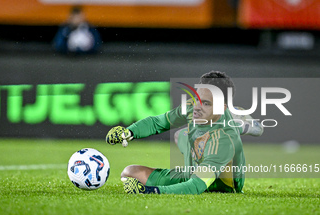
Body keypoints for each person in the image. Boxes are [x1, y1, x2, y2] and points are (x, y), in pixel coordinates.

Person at [106, 71, 263, 195]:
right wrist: (129, 132)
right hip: (193, 172)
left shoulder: (224, 138)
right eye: (196, 98)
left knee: (187, 138)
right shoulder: (192, 107)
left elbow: (196, 186)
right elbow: (158, 122)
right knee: (130, 172)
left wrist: (149, 191)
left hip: (217, 184)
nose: (196, 107)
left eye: (206, 102)